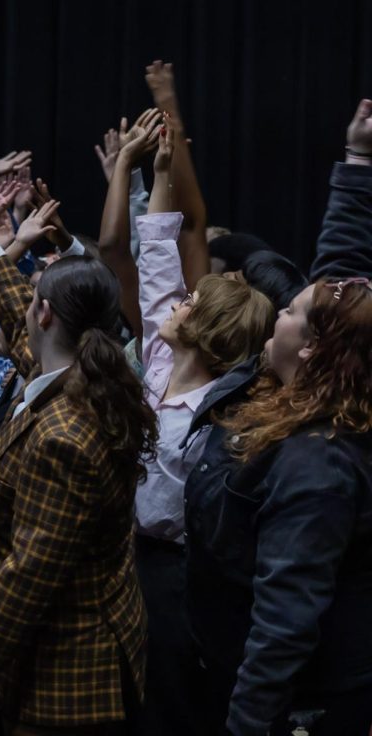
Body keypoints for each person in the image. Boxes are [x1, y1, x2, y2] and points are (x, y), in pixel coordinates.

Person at [184, 98, 372, 736]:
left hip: (289, 705)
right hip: (222, 660)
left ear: (314, 346)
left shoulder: (317, 467)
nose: (276, 314)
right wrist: (359, 162)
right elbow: (339, 279)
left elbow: (286, 624)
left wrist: (245, 726)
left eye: (287, 312)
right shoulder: (289, 383)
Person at [0, 180, 156, 733]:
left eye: (36, 297)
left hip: (69, 669)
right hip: (58, 644)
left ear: (48, 317)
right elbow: (21, 311)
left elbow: (30, 571)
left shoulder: (64, 433)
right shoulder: (81, 371)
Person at [102, 116, 275, 735]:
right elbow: (154, 256)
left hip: (170, 575)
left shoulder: (216, 419)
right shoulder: (158, 359)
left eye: (191, 304)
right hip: (121, 553)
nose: (177, 302)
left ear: (208, 334)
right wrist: (161, 170)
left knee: (166, 701)